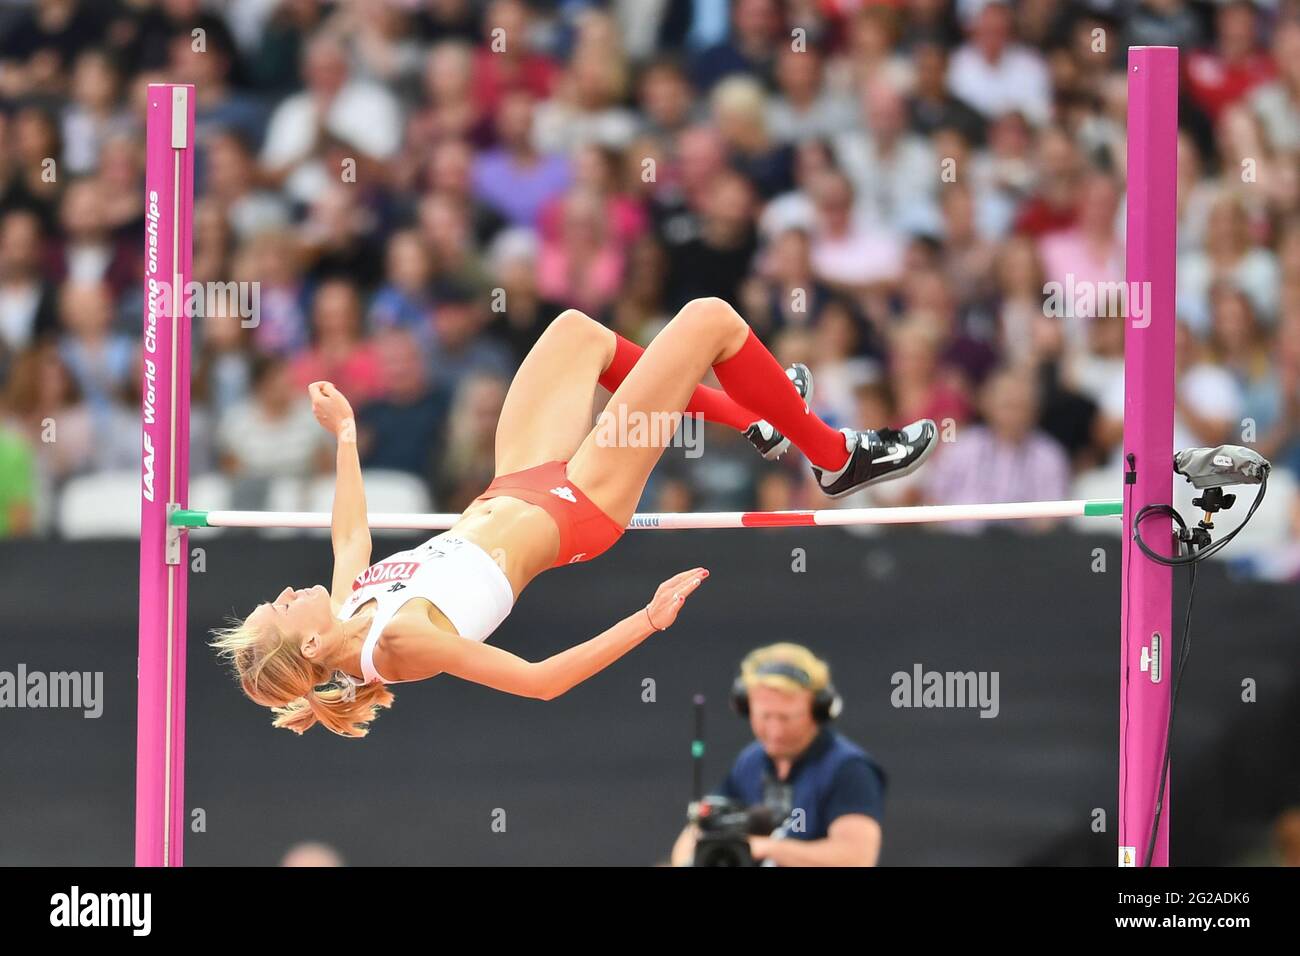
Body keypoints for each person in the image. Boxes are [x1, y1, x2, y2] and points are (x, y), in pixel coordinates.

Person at [211, 298, 937, 737]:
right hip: (581, 505)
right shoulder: (396, 644)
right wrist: (646, 620)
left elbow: (349, 535)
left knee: (573, 334)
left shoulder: (345, 613)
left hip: (518, 480)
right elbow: (540, 682)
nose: (285, 591)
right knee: (710, 322)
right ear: (304, 638)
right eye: (279, 607)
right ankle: (837, 455)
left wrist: (343, 436)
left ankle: (758, 421)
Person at [669, 643, 887, 866]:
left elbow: (856, 859)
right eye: (764, 716)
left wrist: (764, 848)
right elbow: (698, 828)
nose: (775, 731)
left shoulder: (850, 769)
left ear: (818, 709)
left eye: (786, 718)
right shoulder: (750, 763)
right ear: (746, 706)